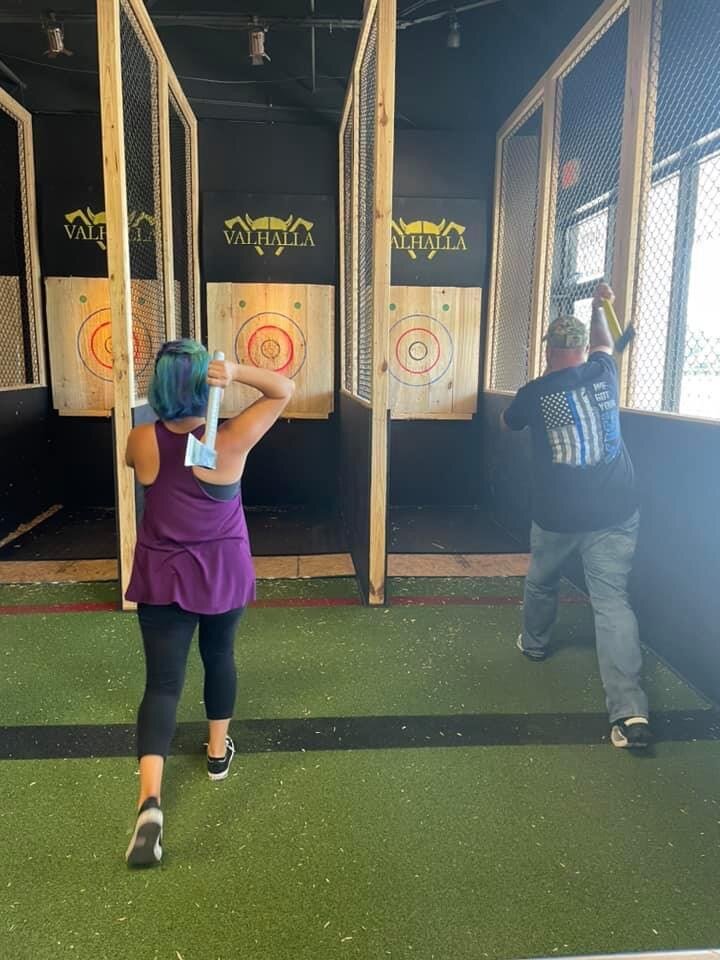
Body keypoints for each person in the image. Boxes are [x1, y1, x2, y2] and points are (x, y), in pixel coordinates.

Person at [123, 339, 294, 866]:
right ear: (205, 384)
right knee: (219, 656)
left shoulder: (140, 439)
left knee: (162, 684)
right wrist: (236, 371)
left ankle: (150, 803)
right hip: (221, 571)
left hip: (163, 574)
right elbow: (283, 390)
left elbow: (143, 466)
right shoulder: (231, 439)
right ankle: (217, 754)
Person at [501, 282, 650, 749]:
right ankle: (629, 715)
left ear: (548, 349)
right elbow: (606, 342)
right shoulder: (604, 370)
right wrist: (598, 303)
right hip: (616, 511)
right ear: (583, 348)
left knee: (542, 581)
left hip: (558, 518)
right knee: (612, 604)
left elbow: (510, 422)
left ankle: (535, 645)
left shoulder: (534, 391)